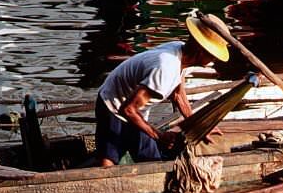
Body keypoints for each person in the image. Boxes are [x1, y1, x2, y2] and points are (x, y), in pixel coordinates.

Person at [95, 14, 229, 167]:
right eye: (213, 55)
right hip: (113, 104)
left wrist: (198, 125)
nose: (214, 60)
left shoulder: (181, 55)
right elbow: (128, 109)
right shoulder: (166, 68)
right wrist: (159, 136)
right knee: (110, 157)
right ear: (200, 51)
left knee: (151, 159)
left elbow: (178, 94)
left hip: (135, 111)